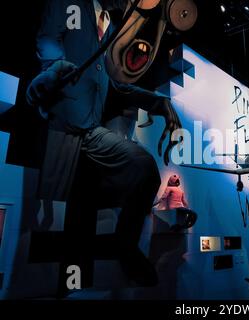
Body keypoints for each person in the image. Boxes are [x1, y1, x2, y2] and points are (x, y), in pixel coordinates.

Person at [26, 0, 182, 290]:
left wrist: (157, 100)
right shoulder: (69, 4)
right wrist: (52, 69)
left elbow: (112, 85)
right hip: (67, 124)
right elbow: (47, 39)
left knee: (137, 172)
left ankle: (120, 248)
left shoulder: (109, 26)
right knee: (57, 214)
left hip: (91, 129)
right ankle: (64, 278)